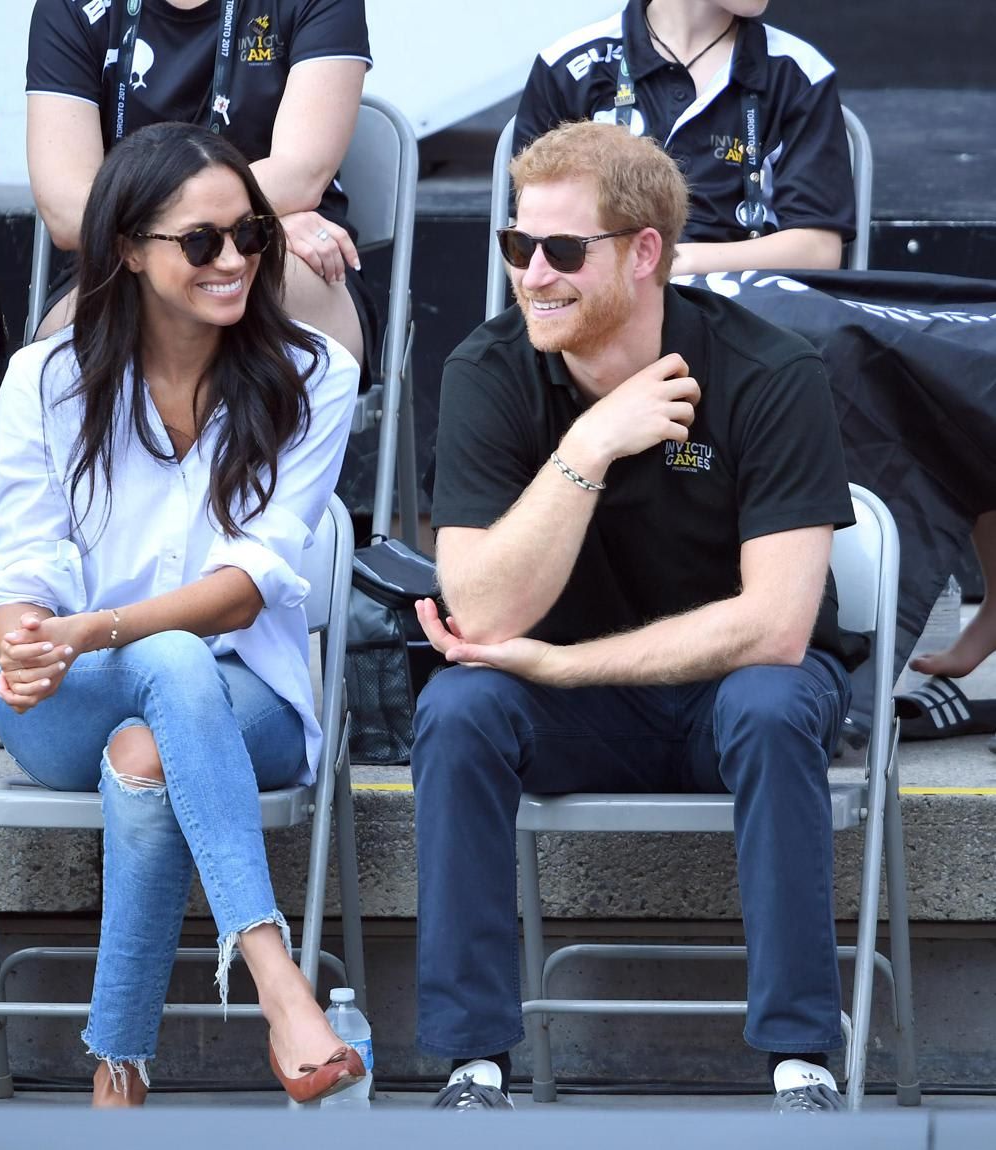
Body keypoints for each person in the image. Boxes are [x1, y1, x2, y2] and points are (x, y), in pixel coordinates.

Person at [412, 120, 857, 1113]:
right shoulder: (488, 370)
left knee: (775, 703)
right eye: (515, 246)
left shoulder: (768, 372)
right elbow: (478, 609)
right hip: (574, 709)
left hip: (728, 694)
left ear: (645, 251)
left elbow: (777, 625)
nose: (532, 273)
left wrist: (563, 666)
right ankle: (472, 1064)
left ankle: (801, 1062)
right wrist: (589, 447)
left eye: (562, 251)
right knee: (457, 712)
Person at [0, 122, 361, 1105]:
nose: (234, 260)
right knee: (166, 673)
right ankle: (280, 982)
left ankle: (118, 1074)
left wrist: (92, 629)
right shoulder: (46, 379)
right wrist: (21, 638)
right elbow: (21, 555)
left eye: (251, 238)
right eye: (202, 242)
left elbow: (253, 580)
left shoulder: (316, 375)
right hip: (68, 697)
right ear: (126, 249)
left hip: (249, 703)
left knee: (165, 711)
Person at [25, 0, 373, 368]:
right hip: (125, 258)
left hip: (272, 246)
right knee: (52, 363)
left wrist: (243, 229)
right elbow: (66, 211)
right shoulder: (69, 7)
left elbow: (302, 174)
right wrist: (204, 231)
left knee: (234, 283)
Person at [513, 0, 854, 276]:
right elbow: (524, 242)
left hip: (746, 320)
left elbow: (819, 250)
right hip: (602, 312)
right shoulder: (569, 66)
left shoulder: (800, 72)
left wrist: (676, 262)